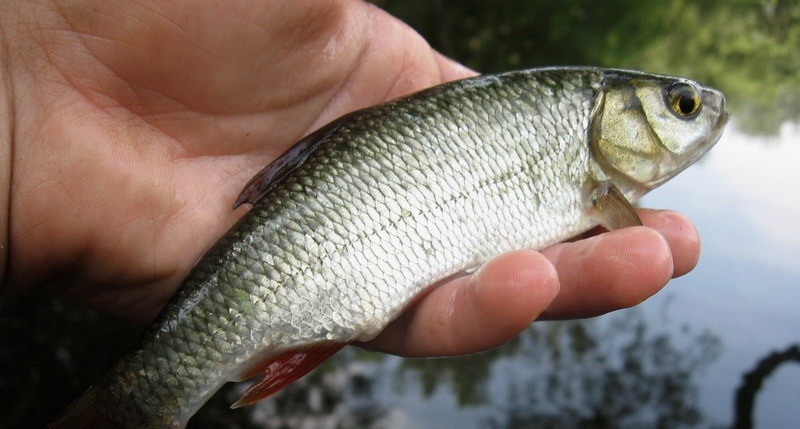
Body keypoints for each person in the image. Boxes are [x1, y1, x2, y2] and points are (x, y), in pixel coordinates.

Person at [0, 0, 699, 357]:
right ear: (615, 119)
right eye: (682, 106)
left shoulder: (603, 183)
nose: (697, 115)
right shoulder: (605, 196)